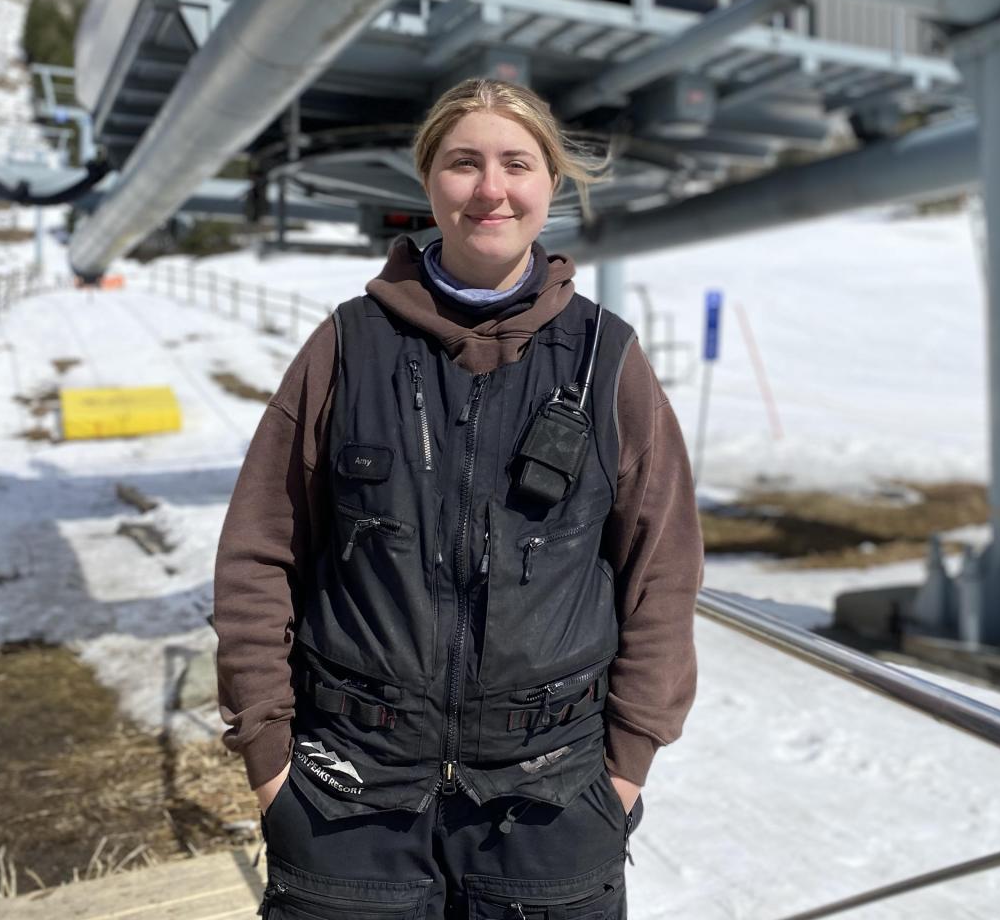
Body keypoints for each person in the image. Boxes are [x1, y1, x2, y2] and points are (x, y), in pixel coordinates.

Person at [213, 78, 703, 919]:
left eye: (517, 163)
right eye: (463, 163)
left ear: (550, 182)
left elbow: (663, 573)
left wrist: (623, 772)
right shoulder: (345, 345)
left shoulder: (607, 359)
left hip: (553, 804)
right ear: (428, 181)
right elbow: (260, 554)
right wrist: (270, 762)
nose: (491, 188)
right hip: (346, 798)